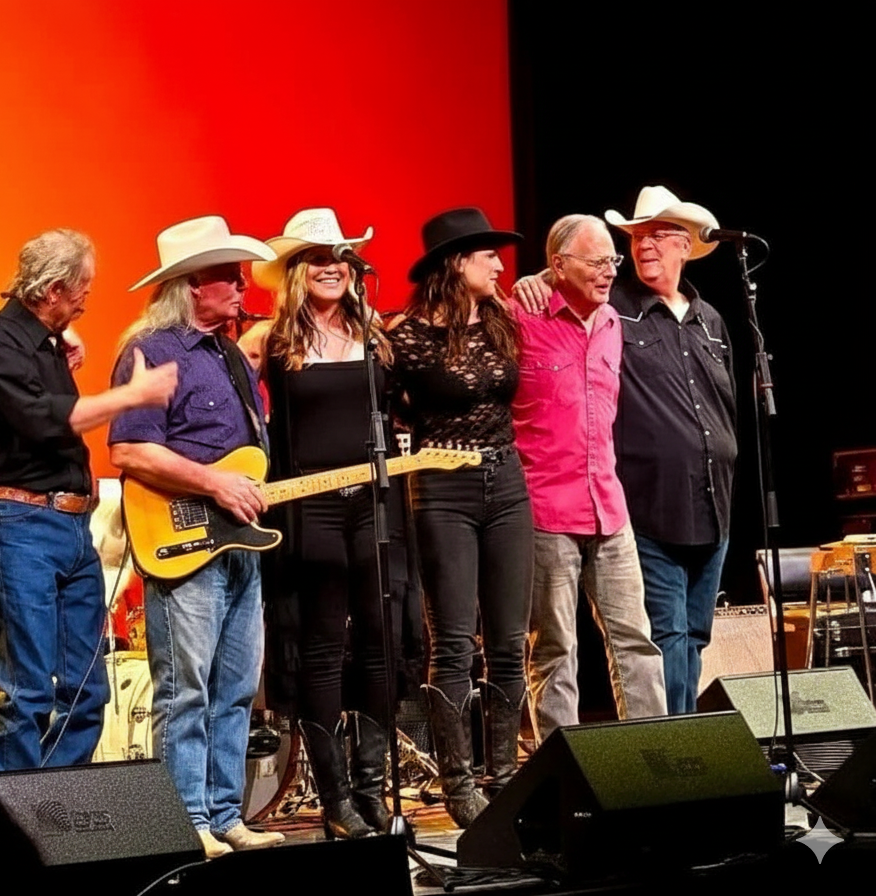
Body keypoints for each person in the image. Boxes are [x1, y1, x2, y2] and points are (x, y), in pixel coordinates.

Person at [516, 187, 736, 714]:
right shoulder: (579, 312)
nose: (633, 254)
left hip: (661, 506)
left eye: (656, 236)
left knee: (665, 639)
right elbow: (564, 284)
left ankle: (668, 753)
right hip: (593, 508)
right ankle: (590, 768)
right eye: (631, 240)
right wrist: (537, 279)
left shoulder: (689, 322)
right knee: (587, 645)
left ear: (685, 245)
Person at [109, 216, 285, 859]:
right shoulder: (150, 352)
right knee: (188, 689)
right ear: (189, 286)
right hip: (185, 544)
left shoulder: (233, 355)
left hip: (240, 541)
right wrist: (213, 484)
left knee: (236, 687)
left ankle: (223, 811)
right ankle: (187, 821)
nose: (241, 285)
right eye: (226, 275)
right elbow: (129, 449)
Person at [0, 229, 177, 772]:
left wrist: (63, 337)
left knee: (88, 691)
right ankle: (15, 821)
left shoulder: (49, 342)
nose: (87, 299)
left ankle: (60, 811)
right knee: (28, 691)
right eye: (82, 289)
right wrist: (131, 397)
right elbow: (39, 419)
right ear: (54, 289)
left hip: (71, 527)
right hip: (19, 523)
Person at [241, 208, 406, 838]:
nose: (331, 264)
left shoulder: (377, 335)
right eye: (316, 256)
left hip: (374, 501)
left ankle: (371, 786)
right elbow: (212, 382)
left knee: (381, 640)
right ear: (292, 272)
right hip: (307, 502)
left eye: (340, 254)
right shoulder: (270, 339)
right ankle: (334, 795)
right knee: (321, 647)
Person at [388, 207, 534, 827]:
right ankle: (457, 784)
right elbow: (390, 411)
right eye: (488, 256)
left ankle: (502, 775)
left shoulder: (502, 320)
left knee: (506, 642)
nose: (500, 265)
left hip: (507, 482)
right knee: (451, 642)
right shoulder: (407, 336)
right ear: (457, 264)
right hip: (441, 486)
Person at [511, 215, 666, 744]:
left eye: (612, 262)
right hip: (545, 508)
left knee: (636, 639)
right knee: (554, 647)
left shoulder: (612, 324)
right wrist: (528, 281)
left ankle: (656, 756)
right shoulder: (520, 317)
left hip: (608, 504)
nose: (608, 273)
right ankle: (566, 771)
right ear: (558, 266)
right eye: (596, 262)